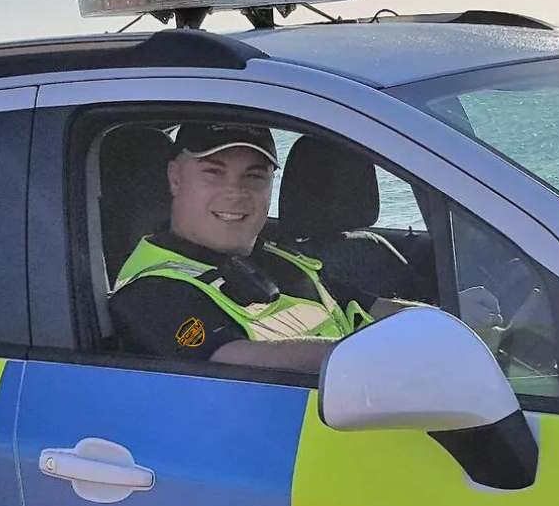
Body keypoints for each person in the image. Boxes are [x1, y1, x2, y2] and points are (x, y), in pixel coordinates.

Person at [109, 123, 428, 373]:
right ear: (175, 178)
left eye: (254, 176)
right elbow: (236, 364)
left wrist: (445, 328)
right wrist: (391, 359)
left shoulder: (278, 256)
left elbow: (373, 307)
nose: (236, 192)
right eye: (213, 173)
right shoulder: (151, 289)